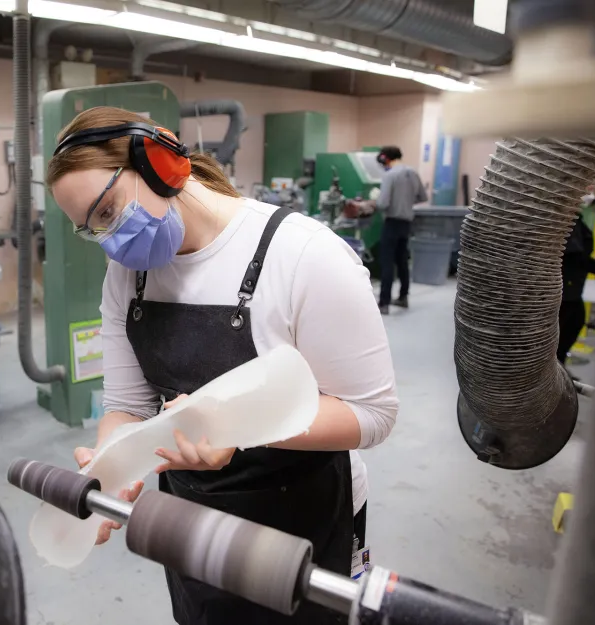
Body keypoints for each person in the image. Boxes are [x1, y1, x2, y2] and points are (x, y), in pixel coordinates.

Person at [46, 107, 399, 625]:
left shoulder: (302, 254)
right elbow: (127, 405)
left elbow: (372, 414)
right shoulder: (127, 277)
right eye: (92, 229)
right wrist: (108, 468)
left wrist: (230, 424)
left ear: (159, 163)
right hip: (190, 519)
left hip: (303, 520)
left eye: (109, 211)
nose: (110, 239)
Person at [374, 146, 428, 315]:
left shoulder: (390, 175)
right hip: (406, 224)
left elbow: (382, 203)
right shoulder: (413, 173)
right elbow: (423, 197)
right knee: (402, 260)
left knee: (387, 263)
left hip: (392, 223)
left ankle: (384, 303)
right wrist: (406, 202)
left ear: (384, 158)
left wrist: (373, 202)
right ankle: (403, 297)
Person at [558, 194, 595, 370]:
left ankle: (559, 371)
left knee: (574, 324)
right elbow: (576, 258)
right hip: (565, 289)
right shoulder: (568, 220)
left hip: (572, 288)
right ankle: (553, 373)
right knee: (565, 330)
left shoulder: (575, 219)